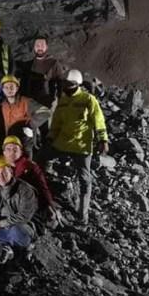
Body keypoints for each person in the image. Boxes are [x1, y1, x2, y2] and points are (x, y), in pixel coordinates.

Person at [41, 69, 109, 224]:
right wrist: (50, 138)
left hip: (81, 146)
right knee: (41, 158)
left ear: (77, 84)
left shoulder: (88, 99)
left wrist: (102, 140)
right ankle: (44, 194)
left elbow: (98, 120)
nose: (66, 86)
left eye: (69, 84)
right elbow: (56, 123)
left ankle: (82, 215)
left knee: (85, 179)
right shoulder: (63, 102)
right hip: (62, 143)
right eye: (66, 83)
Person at [2, 136, 57, 226]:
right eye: (8, 149)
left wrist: (49, 204)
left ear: (21, 152)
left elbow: (42, 187)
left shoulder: (30, 167)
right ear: (4, 152)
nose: (12, 152)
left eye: (15, 149)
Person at [0, 74, 50, 158]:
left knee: (26, 168)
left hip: (24, 144)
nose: (9, 90)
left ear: (17, 88)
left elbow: (45, 112)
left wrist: (30, 125)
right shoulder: (2, 106)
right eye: (6, 87)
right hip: (9, 145)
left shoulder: (26, 102)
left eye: (11, 87)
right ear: (2, 90)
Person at [17, 35, 66, 107]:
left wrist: (58, 103)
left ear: (47, 47)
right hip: (29, 105)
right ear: (34, 47)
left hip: (46, 105)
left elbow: (60, 84)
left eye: (42, 45)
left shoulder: (53, 63)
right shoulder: (28, 64)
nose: (40, 48)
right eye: (37, 45)